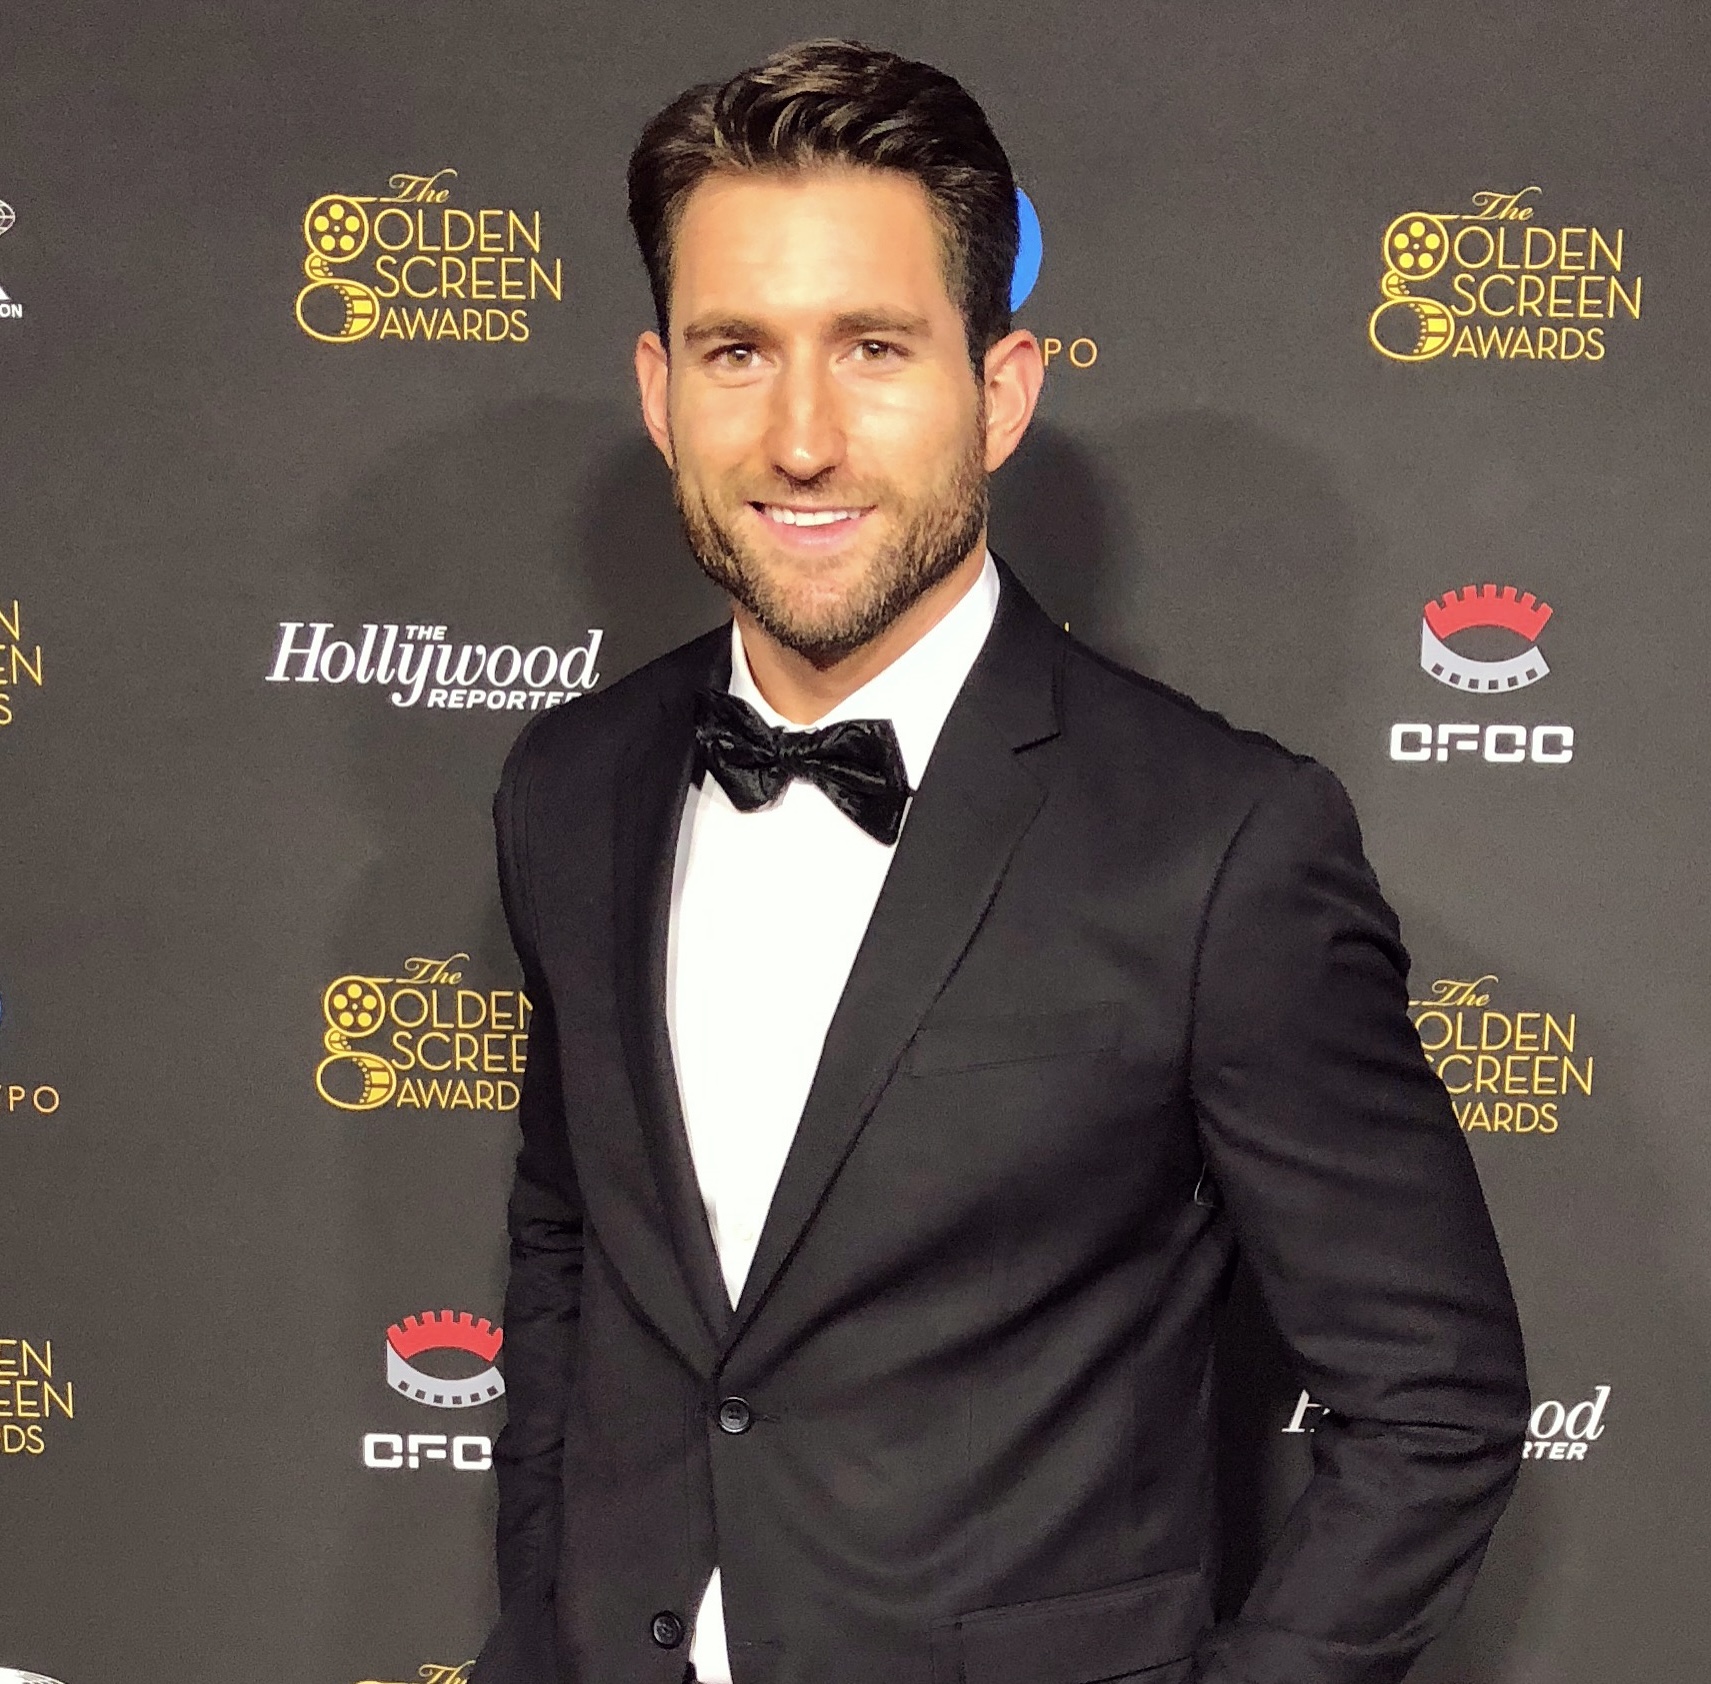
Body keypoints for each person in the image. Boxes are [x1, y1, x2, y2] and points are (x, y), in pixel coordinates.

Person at [473, 39, 1527, 1684]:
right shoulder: (568, 782)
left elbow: (1433, 1403)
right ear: (659, 393)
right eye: (737, 351)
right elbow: (569, 1256)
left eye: (875, 348)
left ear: (1003, 389)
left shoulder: (1223, 842)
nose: (801, 437)